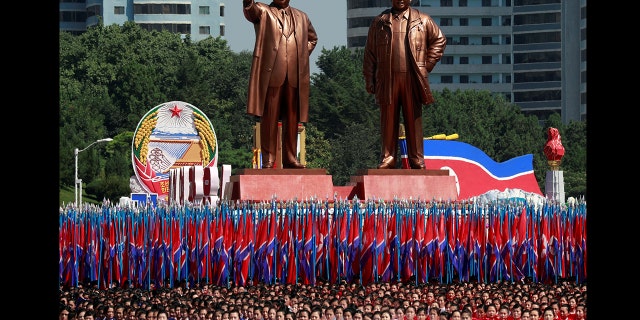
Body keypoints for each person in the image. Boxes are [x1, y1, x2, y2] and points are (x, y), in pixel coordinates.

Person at [363, 0, 446, 169]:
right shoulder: (380, 21)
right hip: (387, 79)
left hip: (412, 79)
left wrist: (426, 65)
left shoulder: (422, 20)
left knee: (413, 119)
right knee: (388, 120)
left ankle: (417, 159)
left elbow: (440, 40)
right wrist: (369, 78)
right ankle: (388, 157)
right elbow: (370, 53)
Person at [243, 0, 318, 169]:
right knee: (269, 117)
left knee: (292, 118)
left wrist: (300, 55)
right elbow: (250, 10)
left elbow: (313, 39)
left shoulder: (302, 17)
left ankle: (291, 158)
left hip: (294, 75)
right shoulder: (264, 11)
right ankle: (269, 159)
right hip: (272, 74)